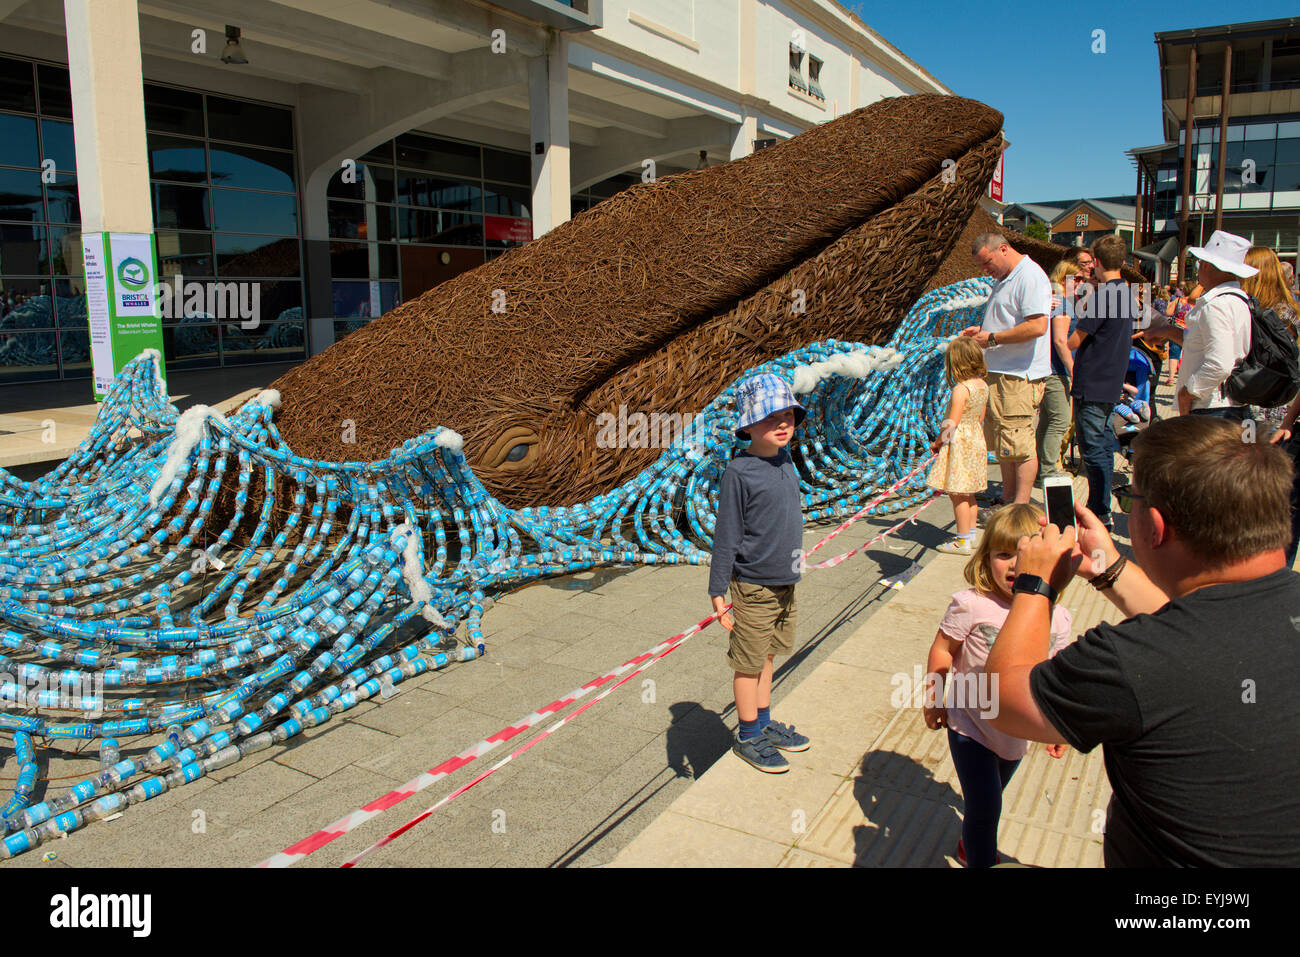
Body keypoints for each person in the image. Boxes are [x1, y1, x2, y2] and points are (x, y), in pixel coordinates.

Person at [983, 415, 1300, 866]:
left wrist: (1035, 587)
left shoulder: (1127, 660)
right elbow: (1207, 638)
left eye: (1129, 497)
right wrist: (1109, 569)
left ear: (1155, 525)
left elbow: (1003, 701)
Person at [922, 504, 1072, 868]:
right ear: (986, 557)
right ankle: (980, 860)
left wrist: (1060, 727)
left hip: (1014, 731)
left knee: (991, 798)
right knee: (986, 808)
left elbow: (1058, 674)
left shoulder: (1057, 617)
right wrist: (932, 698)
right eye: (1004, 554)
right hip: (969, 723)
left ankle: (967, 845)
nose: (1015, 565)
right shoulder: (970, 605)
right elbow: (943, 649)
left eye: (1025, 556)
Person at [709, 373, 811, 773]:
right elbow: (727, 534)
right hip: (753, 586)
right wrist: (719, 589)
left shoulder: (786, 458)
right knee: (748, 663)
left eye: (787, 414)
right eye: (770, 417)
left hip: (786, 583)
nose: (783, 423)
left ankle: (764, 724)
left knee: (768, 655)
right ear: (748, 426)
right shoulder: (739, 472)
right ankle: (748, 735)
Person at [961, 234, 1052, 507]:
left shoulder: (1029, 276)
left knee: (1019, 443)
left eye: (987, 262)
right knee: (1006, 443)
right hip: (1003, 373)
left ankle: (1019, 508)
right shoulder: (1006, 278)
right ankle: (1008, 499)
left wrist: (992, 339)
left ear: (1003, 249)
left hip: (1018, 376)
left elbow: (1037, 326)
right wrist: (985, 333)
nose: (985, 270)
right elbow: (1010, 321)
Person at [1067, 234, 1137, 532]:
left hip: (1093, 382)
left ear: (1096, 262)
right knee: (1103, 447)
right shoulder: (1126, 293)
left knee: (1093, 449)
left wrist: (1067, 311)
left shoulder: (1105, 295)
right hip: (1108, 380)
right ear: (1122, 262)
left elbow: (1074, 340)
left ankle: (1098, 511)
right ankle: (1101, 508)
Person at [1145, 230, 1256, 419]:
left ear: (1207, 266)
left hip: (1213, 408)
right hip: (1227, 406)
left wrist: (1186, 393)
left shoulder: (1218, 305)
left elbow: (1219, 364)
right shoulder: (1238, 300)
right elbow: (1207, 344)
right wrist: (1169, 331)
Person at [927, 337, 989, 555]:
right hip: (976, 440)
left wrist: (938, 441)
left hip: (961, 444)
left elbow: (951, 423)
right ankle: (971, 535)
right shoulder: (982, 386)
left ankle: (962, 541)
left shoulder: (961, 389)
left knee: (958, 494)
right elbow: (980, 417)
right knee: (969, 492)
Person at [1242, 246, 1300, 427]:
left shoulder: (1275, 313)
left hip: (1262, 407)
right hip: (1268, 405)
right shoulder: (1287, 310)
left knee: (1254, 450)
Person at [1037, 260, 1079, 483]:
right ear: (1065, 279)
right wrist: (1073, 371)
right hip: (1057, 372)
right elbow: (1061, 341)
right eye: (1078, 279)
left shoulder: (1052, 301)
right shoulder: (1062, 303)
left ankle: (1041, 470)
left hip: (1047, 369)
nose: (1081, 284)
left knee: (1047, 422)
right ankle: (1048, 471)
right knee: (1060, 421)